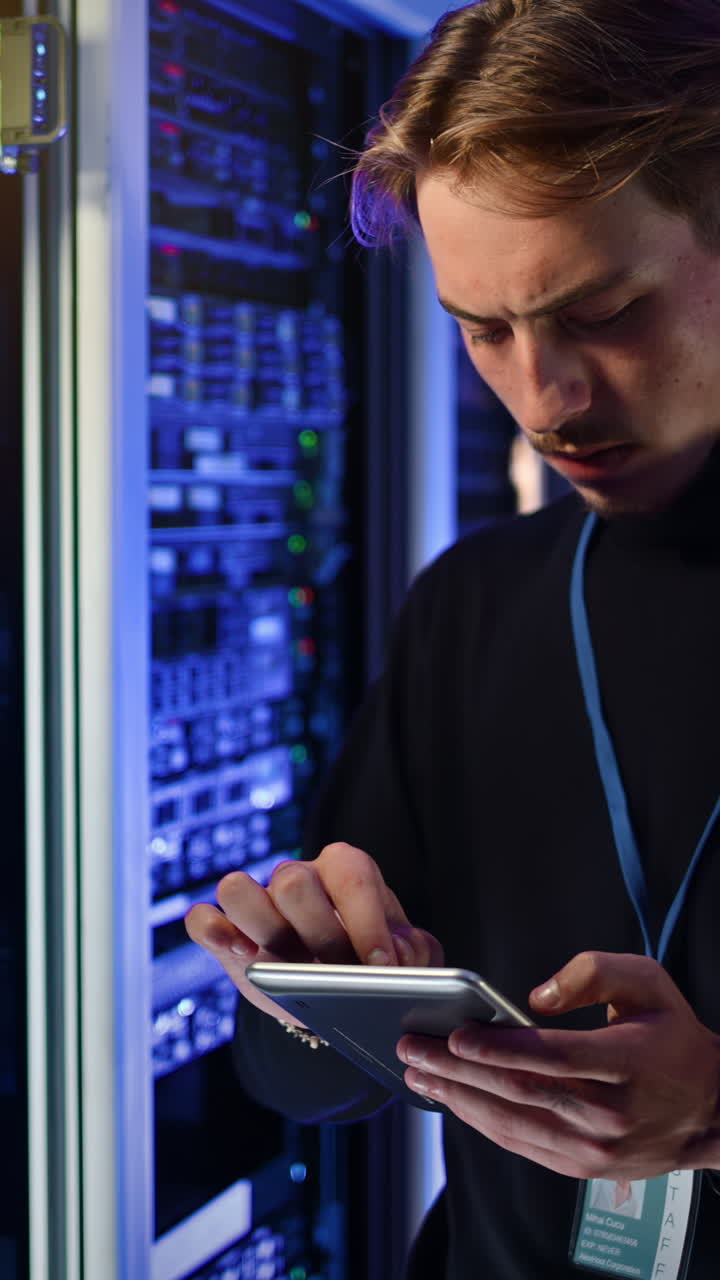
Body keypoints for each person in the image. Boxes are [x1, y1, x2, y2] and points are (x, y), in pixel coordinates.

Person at [186, 1, 720, 1275]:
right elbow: (300, 1084)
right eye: (485, 331)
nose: (547, 399)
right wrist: (312, 989)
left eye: (605, 311)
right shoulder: (471, 603)